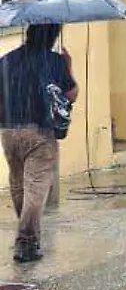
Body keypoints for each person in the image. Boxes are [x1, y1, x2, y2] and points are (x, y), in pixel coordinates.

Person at [0, 24, 76, 264]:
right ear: (52, 36)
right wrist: (68, 66)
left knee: (19, 183)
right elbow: (71, 94)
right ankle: (26, 241)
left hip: (9, 129)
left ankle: (29, 238)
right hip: (40, 131)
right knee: (36, 187)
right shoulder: (54, 61)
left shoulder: (6, 60)